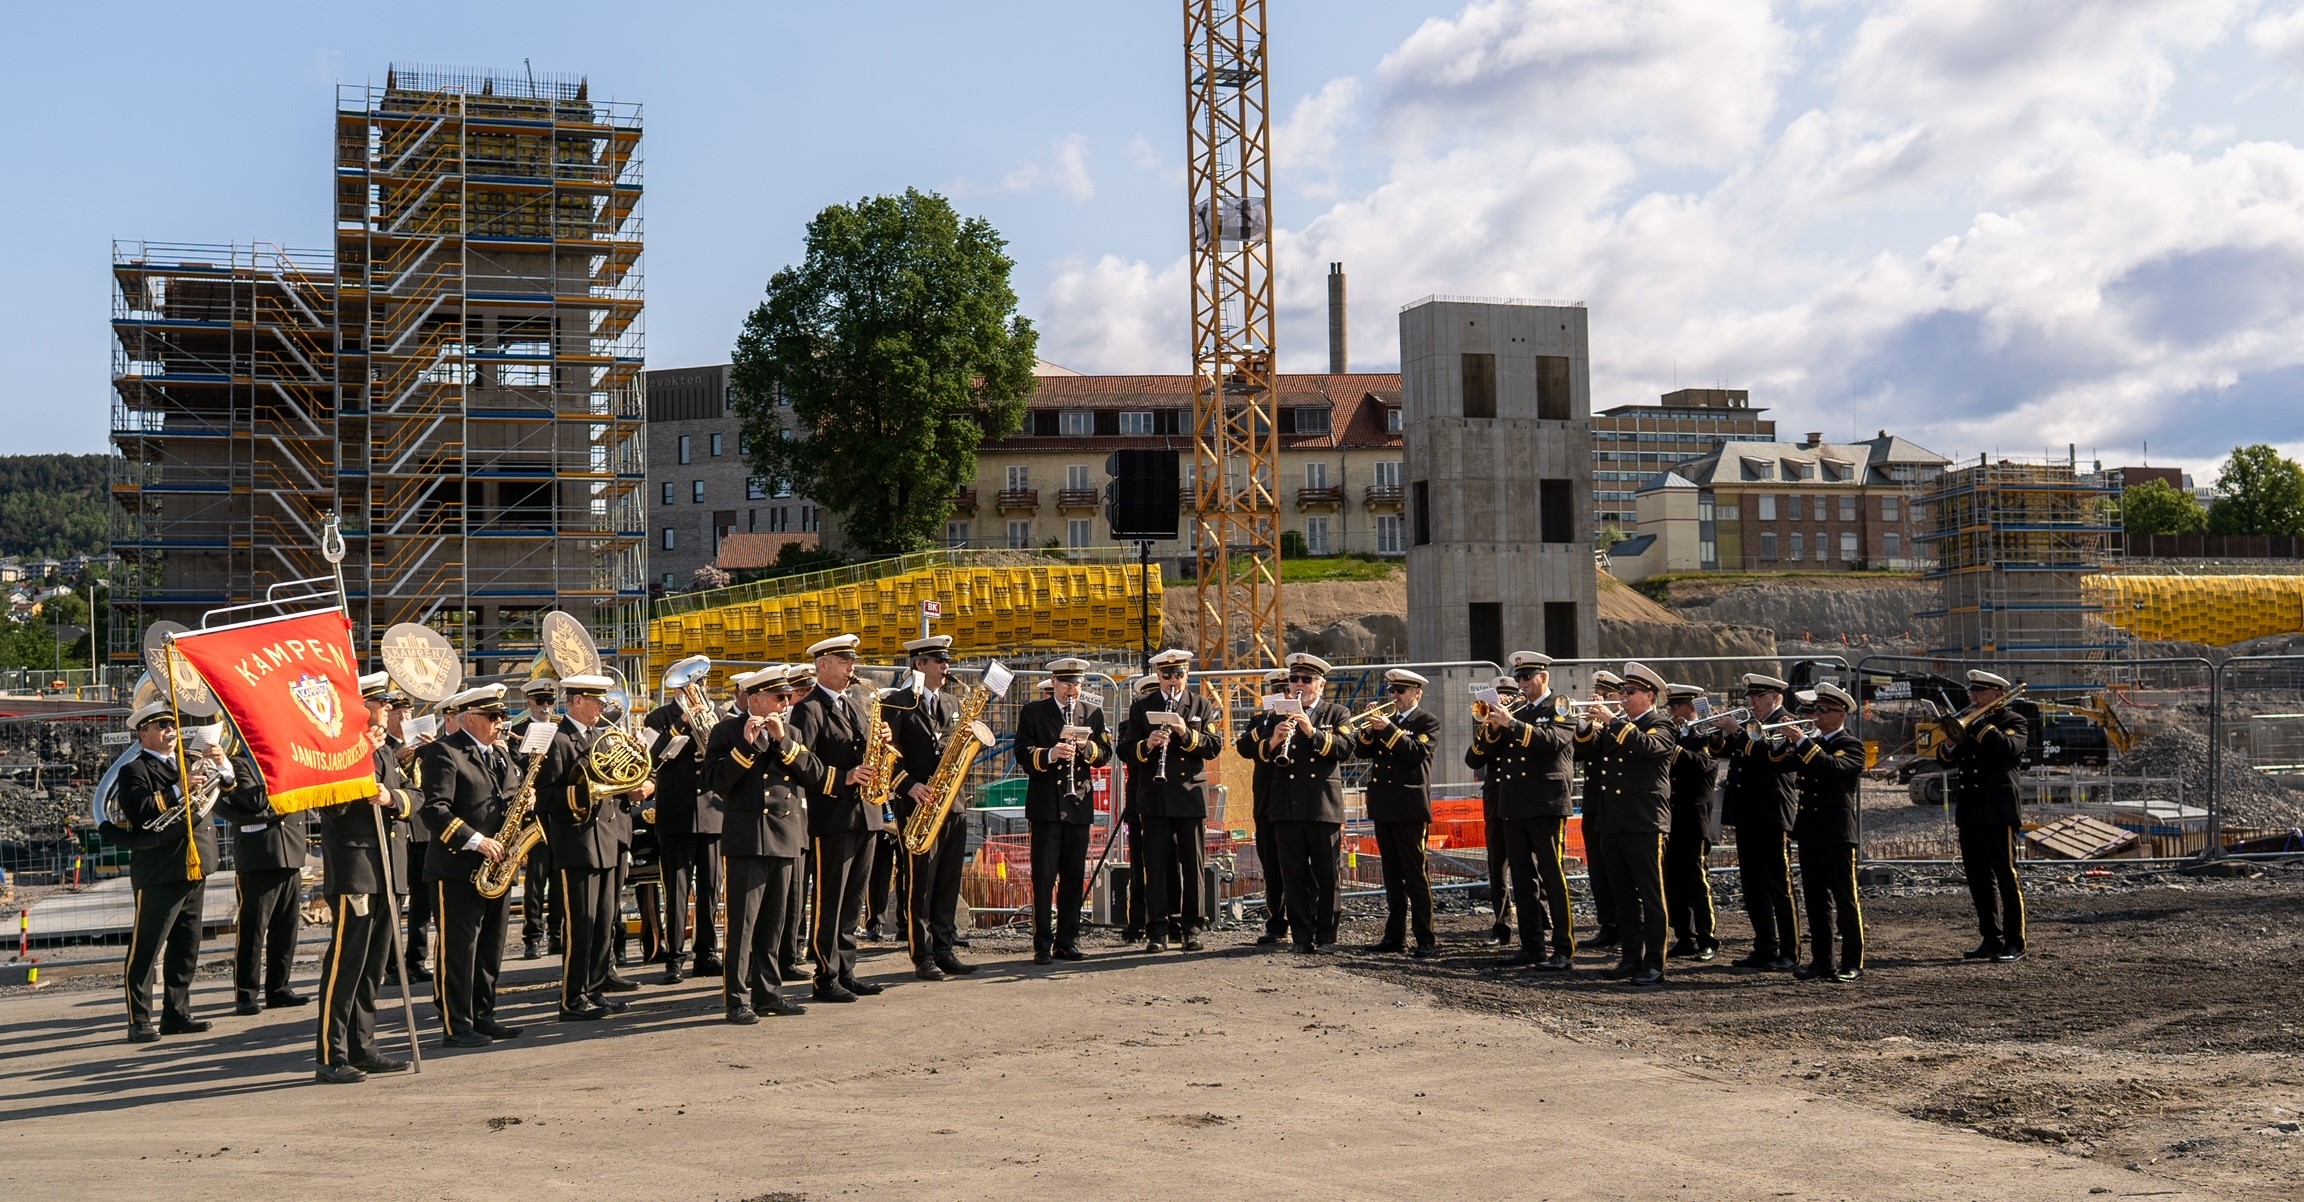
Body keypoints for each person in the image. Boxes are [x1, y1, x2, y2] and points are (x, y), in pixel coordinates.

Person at [313, 673, 420, 1084]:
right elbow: (331, 806)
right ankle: (331, 1054)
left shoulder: (386, 750)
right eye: (381, 702)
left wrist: (392, 797)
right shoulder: (339, 750)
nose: (388, 708)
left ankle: (363, 1046)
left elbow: (415, 796)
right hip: (356, 869)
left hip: (388, 869)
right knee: (346, 965)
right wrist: (358, 758)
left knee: (373, 967)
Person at [532, 674, 653, 1021]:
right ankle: (572, 998)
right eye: (596, 701)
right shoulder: (557, 740)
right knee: (581, 924)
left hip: (611, 838)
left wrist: (637, 783)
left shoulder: (602, 736)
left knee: (603, 922)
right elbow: (545, 796)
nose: (602, 707)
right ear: (576, 701)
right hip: (580, 842)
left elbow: (620, 779)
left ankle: (596, 989)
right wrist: (590, 791)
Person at [705, 665, 821, 1021]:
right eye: (779, 697)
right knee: (742, 926)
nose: (786, 704)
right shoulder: (726, 731)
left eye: (787, 697)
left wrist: (784, 742)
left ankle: (769, 995)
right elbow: (716, 782)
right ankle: (736, 999)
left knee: (774, 923)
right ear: (756, 699)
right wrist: (746, 745)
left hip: (785, 836)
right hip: (749, 838)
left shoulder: (792, 732)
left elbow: (813, 773)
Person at [106, 702, 223, 1043]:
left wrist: (221, 764)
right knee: (147, 947)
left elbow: (225, 786)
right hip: (160, 868)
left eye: (172, 726)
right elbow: (140, 811)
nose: (171, 731)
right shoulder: (134, 770)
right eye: (161, 727)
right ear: (143, 734)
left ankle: (177, 1013)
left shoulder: (188, 760)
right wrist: (178, 789)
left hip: (195, 862)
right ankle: (139, 1019)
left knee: (187, 945)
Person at [418, 684, 526, 1049]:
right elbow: (435, 809)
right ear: (469, 719)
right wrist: (477, 840)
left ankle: (483, 1014)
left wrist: (524, 803)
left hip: (497, 868)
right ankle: (456, 1025)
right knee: (459, 950)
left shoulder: (501, 754)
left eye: (502, 716)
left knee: (490, 947)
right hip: (457, 868)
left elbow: (506, 799)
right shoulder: (445, 752)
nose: (500, 722)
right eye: (493, 716)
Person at [786, 634, 889, 1003]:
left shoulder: (855, 705)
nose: (851, 668)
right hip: (832, 816)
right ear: (823, 665)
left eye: (852, 661)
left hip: (866, 814)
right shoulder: (809, 709)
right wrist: (843, 777)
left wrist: (883, 740)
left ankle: (846, 970)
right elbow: (802, 762)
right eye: (845, 662)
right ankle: (825, 976)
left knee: (853, 900)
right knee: (830, 899)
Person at [883, 635, 977, 980]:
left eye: (946, 660)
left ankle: (944, 948)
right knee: (921, 883)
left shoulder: (952, 701)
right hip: (918, 804)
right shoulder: (897, 703)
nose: (945, 667)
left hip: (953, 803)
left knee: (948, 881)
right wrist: (909, 785)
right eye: (939, 661)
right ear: (919, 664)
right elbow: (886, 757)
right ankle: (922, 955)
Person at [1476, 653, 1578, 968]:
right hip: (1514, 803)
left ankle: (1563, 948)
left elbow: (1553, 741)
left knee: (1552, 877)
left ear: (1543, 677)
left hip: (1546, 803)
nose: (1521, 684)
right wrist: (1493, 726)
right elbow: (1477, 756)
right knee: (1522, 879)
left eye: (1527, 677)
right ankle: (1532, 946)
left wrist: (1512, 723)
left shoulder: (1559, 705)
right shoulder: (1519, 710)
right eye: (1519, 678)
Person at [1580, 662, 1678, 987]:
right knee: (1623, 897)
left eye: (1630, 691)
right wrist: (1586, 725)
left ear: (1649, 696)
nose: (1623, 696)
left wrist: (1612, 721)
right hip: (1613, 822)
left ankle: (1655, 963)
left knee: (1651, 896)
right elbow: (1586, 752)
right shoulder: (1618, 726)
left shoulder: (1660, 724)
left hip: (1645, 822)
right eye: (1622, 691)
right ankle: (1630, 958)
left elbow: (1647, 747)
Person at [1016, 658, 1113, 965]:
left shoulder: (1092, 713)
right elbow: (1022, 753)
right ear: (1054, 683)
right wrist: (1050, 753)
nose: (1072, 690)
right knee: (1044, 878)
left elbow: (1105, 754)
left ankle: (1067, 941)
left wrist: (1085, 748)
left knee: (1072, 878)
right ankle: (1042, 943)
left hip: (1077, 805)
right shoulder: (1033, 712)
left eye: (1077, 684)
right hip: (1045, 807)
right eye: (1067, 683)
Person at [1125, 649, 1220, 952]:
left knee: (1192, 864)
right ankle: (1157, 929)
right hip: (1155, 796)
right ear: (1158, 676)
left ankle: (1192, 927)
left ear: (1186, 675)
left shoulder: (1201, 705)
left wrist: (1185, 733)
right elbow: (1125, 749)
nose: (1172, 680)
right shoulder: (1142, 706)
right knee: (1155, 865)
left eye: (1178, 674)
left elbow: (1213, 746)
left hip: (1190, 794)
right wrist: (1147, 745)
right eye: (1166, 674)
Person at [1262, 654, 1354, 953]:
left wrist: (1311, 732)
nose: (1299, 684)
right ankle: (1301, 936)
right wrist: (1275, 741)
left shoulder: (1336, 713)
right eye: (1294, 679)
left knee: (1327, 876)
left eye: (1306, 679)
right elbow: (1256, 751)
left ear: (1321, 685)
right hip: (1286, 805)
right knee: (1293, 874)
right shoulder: (1277, 714)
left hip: (1321, 804)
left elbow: (1346, 748)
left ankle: (1326, 935)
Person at [215, 724, 309, 1016]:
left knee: (286, 928)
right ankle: (246, 994)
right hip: (259, 858)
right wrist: (283, 786)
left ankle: (279, 988)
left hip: (290, 852)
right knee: (253, 930)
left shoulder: (287, 759)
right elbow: (255, 800)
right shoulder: (241, 763)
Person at [1940, 669, 2029, 963]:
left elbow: (2006, 748)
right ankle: (1991, 937)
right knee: (1978, 878)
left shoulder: (2013, 721)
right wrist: (1951, 740)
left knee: (2006, 875)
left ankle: (2015, 941)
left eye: (1980, 692)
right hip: (1970, 810)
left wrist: (1977, 723)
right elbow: (1945, 758)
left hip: (1998, 810)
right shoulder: (1969, 722)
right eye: (1972, 691)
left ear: (1998, 695)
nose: (1973, 696)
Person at [1717, 673, 1801, 972]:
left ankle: (1790, 950)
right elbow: (1724, 753)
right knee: (1752, 885)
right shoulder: (1754, 724)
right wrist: (1721, 732)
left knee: (1779, 885)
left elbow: (1771, 758)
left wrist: (1739, 732)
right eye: (1750, 697)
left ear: (1776, 697)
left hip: (1771, 813)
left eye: (1758, 697)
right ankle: (1765, 946)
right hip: (1747, 813)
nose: (1752, 702)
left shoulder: (1786, 723)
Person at [644, 674, 723, 986]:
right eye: (691, 684)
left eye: (701, 683)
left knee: (710, 888)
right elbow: (650, 757)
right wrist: (682, 724)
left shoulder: (718, 715)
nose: (698, 689)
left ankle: (706, 953)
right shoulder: (658, 718)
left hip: (712, 813)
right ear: (678, 688)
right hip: (676, 814)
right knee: (676, 890)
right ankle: (674, 957)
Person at [1357, 669, 1441, 956]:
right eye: (1392, 691)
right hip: (1384, 806)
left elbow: (1416, 753)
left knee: (1415, 874)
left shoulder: (1427, 721)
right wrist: (1370, 730)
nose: (1395, 696)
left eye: (1400, 691)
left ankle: (1426, 938)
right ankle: (1395, 937)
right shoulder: (1387, 721)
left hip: (1410, 807)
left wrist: (1388, 729)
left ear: (1417, 693)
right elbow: (1361, 752)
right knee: (1392, 876)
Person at [1790, 682, 1867, 983]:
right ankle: (1822, 961)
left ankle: (1852, 961)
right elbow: (1780, 763)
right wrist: (1787, 741)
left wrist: (1801, 741)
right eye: (1816, 709)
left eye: (1823, 710)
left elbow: (1830, 767)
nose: (1817, 715)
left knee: (1846, 900)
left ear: (1840, 714)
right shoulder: (1812, 743)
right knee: (1815, 900)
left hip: (1837, 834)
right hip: (1811, 831)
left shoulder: (1851, 745)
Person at [1663, 684, 1724, 962]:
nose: (1672, 711)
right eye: (1670, 706)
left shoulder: (1704, 735)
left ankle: (1707, 937)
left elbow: (1703, 764)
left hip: (1694, 816)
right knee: (1673, 879)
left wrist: (1672, 748)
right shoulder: (1673, 734)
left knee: (1696, 879)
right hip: (1671, 815)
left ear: (1691, 707)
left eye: (1676, 706)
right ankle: (1684, 936)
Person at [1235, 668, 1290, 946]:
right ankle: (1276, 923)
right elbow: (1243, 748)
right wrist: (1267, 725)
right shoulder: (1260, 721)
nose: (1282, 694)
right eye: (1276, 690)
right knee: (1271, 865)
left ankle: (1305, 921)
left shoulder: (1302, 719)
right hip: (1266, 802)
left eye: (1286, 689)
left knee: (1298, 865)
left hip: (1294, 802)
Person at [385, 690, 435, 985]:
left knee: (422, 901)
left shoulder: (423, 745)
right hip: (399, 832)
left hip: (423, 828)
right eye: (398, 713)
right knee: (396, 899)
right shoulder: (384, 746)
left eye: (408, 712)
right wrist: (398, 757)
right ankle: (392, 965)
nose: (405, 717)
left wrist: (431, 752)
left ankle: (416, 960)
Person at [509, 678, 561, 960]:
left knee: (559, 874)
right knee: (536, 878)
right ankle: (532, 937)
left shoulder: (561, 728)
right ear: (529, 702)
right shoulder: (517, 732)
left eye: (549, 701)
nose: (545, 707)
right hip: (533, 810)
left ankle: (557, 934)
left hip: (558, 809)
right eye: (540, 701)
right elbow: (514, 769)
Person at [1575, 668, 1625, 952]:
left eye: (1607, 694)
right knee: (1598, 869)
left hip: (1619, 807)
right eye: (1598, 693)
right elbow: (1578, 752)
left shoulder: (1627, 724)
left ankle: (1628, 927)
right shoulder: (1597, 726)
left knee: (1621, 870)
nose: (1600, 698)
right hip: (1595, 804)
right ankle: (1608, 925)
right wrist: (1584, 723)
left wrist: (1609, 721)